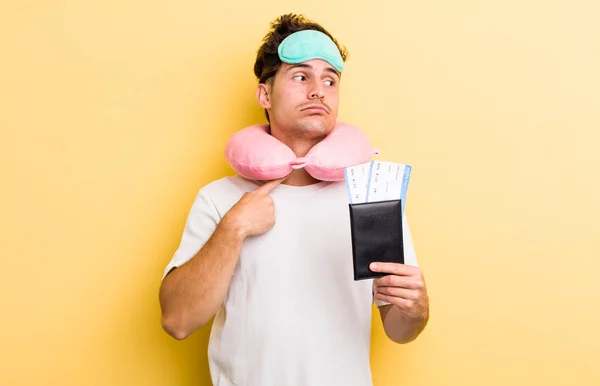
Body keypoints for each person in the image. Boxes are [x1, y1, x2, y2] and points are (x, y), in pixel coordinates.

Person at [158, 13, 429, 386]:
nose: (318, 90)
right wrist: (234, 228)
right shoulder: (220, 199)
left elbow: (399, 329)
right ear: (264, 94)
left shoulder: (370, 197)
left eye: (330, 80)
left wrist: (416, 310)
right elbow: (177, 321)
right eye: (301, 76)